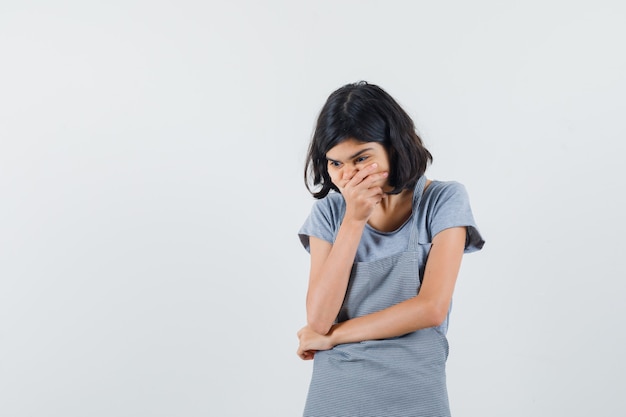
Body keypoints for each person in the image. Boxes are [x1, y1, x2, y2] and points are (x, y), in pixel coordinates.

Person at [296, 81, 485, 416]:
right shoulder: (329, 213)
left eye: (361, 158)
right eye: (336, 163)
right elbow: (319, 319)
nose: (348, 175)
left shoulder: (443, 202)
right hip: (335, 397)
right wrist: (353, 221)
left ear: (394, 148)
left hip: (413, 396)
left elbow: (430, 309)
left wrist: (334, 337)